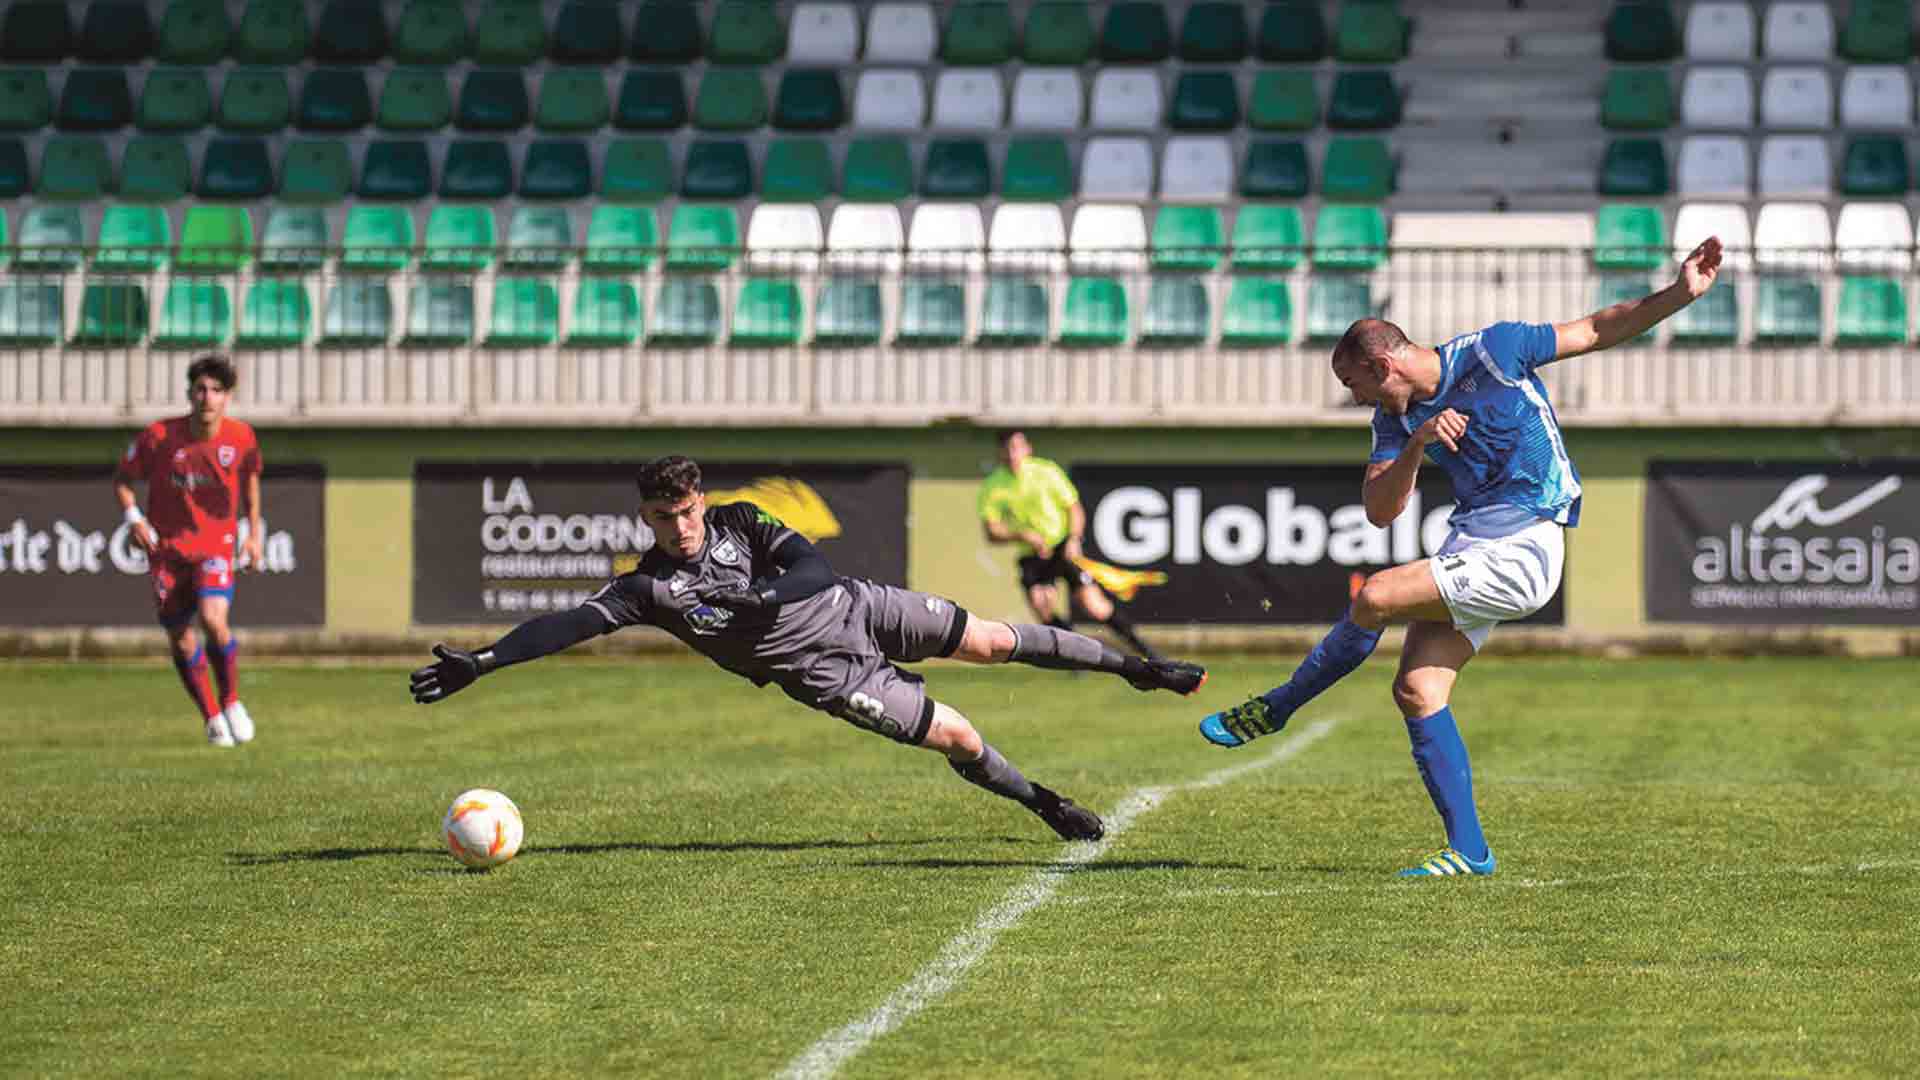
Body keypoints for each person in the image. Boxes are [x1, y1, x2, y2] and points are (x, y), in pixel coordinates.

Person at [1199, 236, 1726, 879]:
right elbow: (1381, 509)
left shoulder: (1492, 351)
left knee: (1374, 596)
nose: (1356, 398)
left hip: (1526, 543)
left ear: (1384, 366)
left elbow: (1593, 329)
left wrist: (1679, 294)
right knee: (1418, 690)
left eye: (1354, 384)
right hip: (1473, 541)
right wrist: (1418, 444)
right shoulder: (1396, 421)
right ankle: (1471, 851)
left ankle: (1279, 706)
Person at [410, 456, 1209, 841]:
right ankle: (1046, 804)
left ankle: (1139, 670)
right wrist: (482, 662)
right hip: (823, 673)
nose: (682, 527)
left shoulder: (742, 522)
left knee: (997, 640)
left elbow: (813, 567)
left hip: (861, 607)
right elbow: (565, 626)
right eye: (665, 517)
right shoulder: (648, 590)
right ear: (647, 519)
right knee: (959, 736)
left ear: (700, 503)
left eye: (688, 511)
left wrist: (757, 595)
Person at [113, 355, 264, 747]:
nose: (207, 397)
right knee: (180, 637)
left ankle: (231, 701)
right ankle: (212, 717)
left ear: (228, 397)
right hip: (168, 550)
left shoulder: (242, 437)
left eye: (216, 390)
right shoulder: (159, 436)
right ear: (189, 393)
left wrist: (252, 534)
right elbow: (124, 480)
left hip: (216, 544)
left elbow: (249, 484)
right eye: (200, 389)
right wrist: (134, 520)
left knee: (214, 620)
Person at [978, 429, 1163, 662]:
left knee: (1095, 606)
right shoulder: (994, 485)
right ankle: (1079, 656)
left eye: (1017, 447)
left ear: (1027, 448)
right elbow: (992, 531)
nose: (1013, 453)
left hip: (1062, 545)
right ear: (1000, 453)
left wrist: (1073, 539)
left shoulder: (1046, 471)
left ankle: (1148, 652)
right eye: (1007, 449)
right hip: (1033, 554)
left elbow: (1074, 509)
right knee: (1041, 606)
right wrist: (1022, 536)